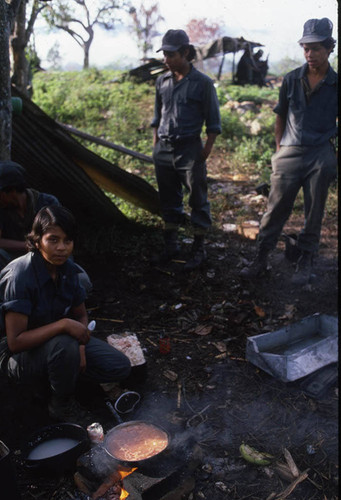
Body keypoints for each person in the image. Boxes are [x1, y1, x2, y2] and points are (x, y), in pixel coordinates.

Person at [0, 205, 131, 423]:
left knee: (118, 366)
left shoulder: (67, 269)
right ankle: (60, 405)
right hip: (15, 355)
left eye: (67, 241)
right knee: (64, 345)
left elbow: (80, 315)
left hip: (59, 343)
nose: (61, 248)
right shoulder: (20, 275)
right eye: (53, 240)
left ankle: (61, 376)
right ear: (37, 240)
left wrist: (80, 346)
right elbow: (15, 342)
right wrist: (63, 326)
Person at [240, 18, 337, 286]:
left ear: (329, 48)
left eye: (316, 48)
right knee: (275, 207)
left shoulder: (335, 83)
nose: (310, 54)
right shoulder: (292, 79)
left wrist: (332, 155)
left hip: (320, 152)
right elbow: (280, 114)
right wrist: (279, 149)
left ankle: (306, 259)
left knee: (314, 209)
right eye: (305, 48)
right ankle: (261, 258)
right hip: (290, 151)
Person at [151, 29, 221, 271]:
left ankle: (198, 249)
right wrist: (156, 143)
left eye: (171, 55)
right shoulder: (162, 81)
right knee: (169, 199)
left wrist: (205, 150)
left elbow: (213, 121)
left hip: (190, 150)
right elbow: (157, 115)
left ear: (185, 53)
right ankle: (171, 246)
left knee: (197, 199)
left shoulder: (203, 84)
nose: (166, 60)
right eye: (164, 55)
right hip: (164, 149)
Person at [0, 160, 92, 293]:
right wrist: (28, 245)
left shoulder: (47, 203)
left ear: (10, 191)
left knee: (82, 282)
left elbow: (61, 239)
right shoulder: (2, 209)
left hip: (47, 259)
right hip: (14, 261)